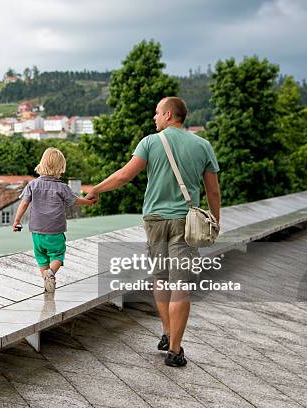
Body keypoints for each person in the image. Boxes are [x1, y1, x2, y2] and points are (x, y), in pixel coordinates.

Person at [85, 97, 221, 367]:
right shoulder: (203, 145)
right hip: (186, 221)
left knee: (161, 278)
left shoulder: (149, 142)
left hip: (155, 221)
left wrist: (96, 189)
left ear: (169, 115)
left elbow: (124, 175)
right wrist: (215, 220)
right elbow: (213, 190)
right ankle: (174, 349)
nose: (154, 118)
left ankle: (167, 332)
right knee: (180, 284)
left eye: (157, 113)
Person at [13, 147, 96, 292]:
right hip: (55, 231)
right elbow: (75, 201)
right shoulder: (62, 187)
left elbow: (24, 203)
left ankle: (47, 282)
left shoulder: (33, 185)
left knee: (41, 256)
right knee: (57, 254)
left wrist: (17, 221)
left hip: (37, 231)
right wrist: (89, 202)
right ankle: (51, 274)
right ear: (61, 167)